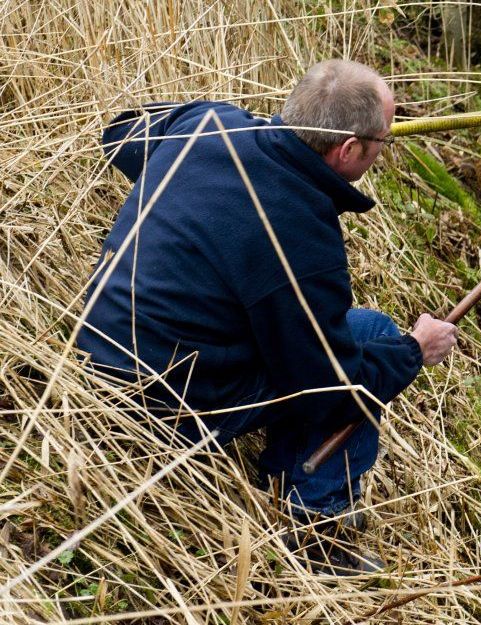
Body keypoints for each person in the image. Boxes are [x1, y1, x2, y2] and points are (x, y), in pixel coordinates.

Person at [78, 60, 458, 569]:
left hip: (89, 362)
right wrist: (414, 350)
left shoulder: (208, 123)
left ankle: (287, 474)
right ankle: (317, 532)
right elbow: (332, 387)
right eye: (381, 142)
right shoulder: (299, 235)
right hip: (165, 404)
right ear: (347, 151)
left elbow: (119, 134)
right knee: (372, 336)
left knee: (327, 341)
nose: (382, 149)